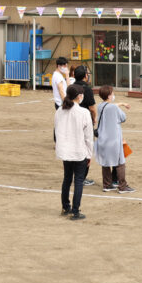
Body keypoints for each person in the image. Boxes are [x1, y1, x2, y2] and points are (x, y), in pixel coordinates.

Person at [55, 84, 94, 220]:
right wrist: (89, 154)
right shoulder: (83, 112)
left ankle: (66, 207)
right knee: (78, 180)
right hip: (79, 150)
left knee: (67, 179)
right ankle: (75, 210)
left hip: (66, 151)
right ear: (79, 96)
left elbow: (57, 130)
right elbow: (89, 137)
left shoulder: (60, 110)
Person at [94, 85, 134, 193]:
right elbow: (123, 118)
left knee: (105, 163)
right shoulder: (114, 108)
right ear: (109, 95)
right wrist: (121, 105)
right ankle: (122, 186)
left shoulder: (100, 106)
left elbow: (109, 106)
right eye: (112, 93)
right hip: (114, 140)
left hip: (102, 139)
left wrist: (121, 103)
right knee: (120, 162)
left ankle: (107, 184)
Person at [74, 66, 97, 187]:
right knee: (87, 148)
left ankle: (76, 175)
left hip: (72, 121)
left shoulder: (71, 87)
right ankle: (81, 177)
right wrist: (94, 118)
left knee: (75, 146)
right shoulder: (86, 89)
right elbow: (92, 108)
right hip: (85, 121)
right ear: (85, 76)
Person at [51, 57, 69, 144]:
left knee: (61, 121)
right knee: (60, 122)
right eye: (64, 65)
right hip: (61, 103)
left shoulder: (58, 75)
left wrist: (67, 75)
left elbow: (67, 88)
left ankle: (58, 141)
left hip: (60, 102)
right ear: (59, 66)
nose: (65, 67)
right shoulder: (57, 76)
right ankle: (57, 141)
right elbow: (61, 90)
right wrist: (66, 102)